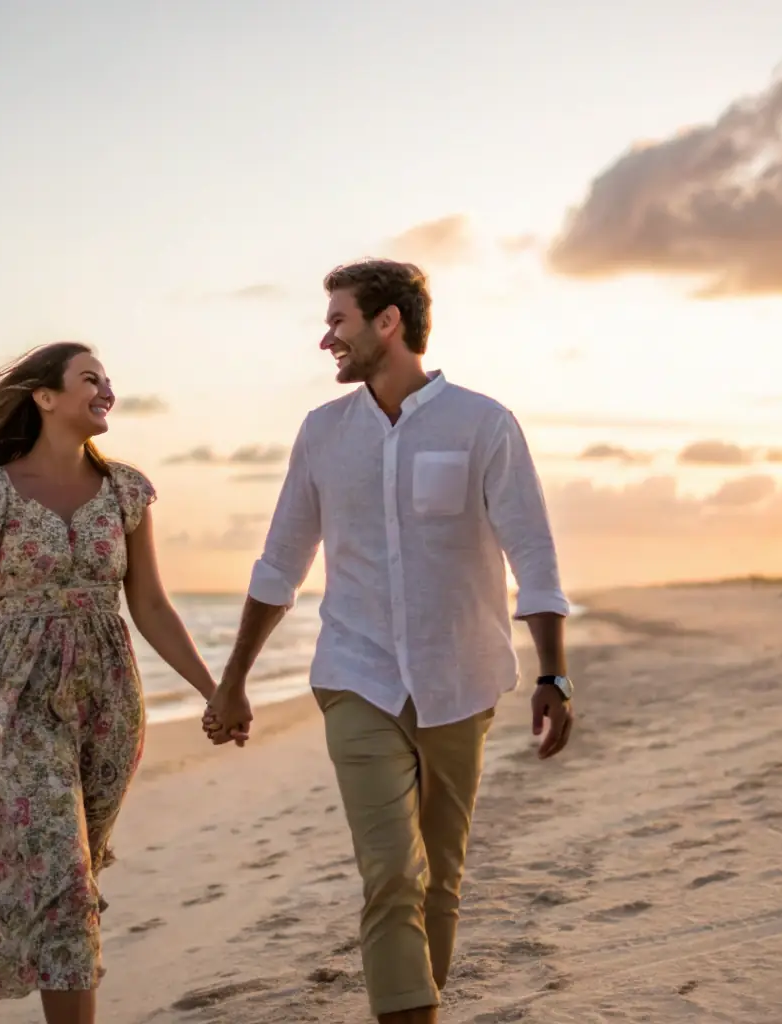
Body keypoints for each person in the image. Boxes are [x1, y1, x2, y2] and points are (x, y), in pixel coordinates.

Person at [205, 260, 575, 1024]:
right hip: (355, 673)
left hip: (461, 677)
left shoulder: (482, 423)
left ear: (387, 323)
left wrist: (554, 674)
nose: (324, 339)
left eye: (337, 321)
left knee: (440, 875)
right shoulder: (322, 433)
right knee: (389, 874)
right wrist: (233, 678)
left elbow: (531, 552)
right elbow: (281, 561)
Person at [0, 342, 240, 1024]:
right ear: (45, 397)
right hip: (14, 698)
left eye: (109, 379)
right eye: (90, 379)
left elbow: (149, 606)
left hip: (110, 699)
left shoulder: (126, 490)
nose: (107, 389)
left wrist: (215, 689)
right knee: (63, 875)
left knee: (75, 872)